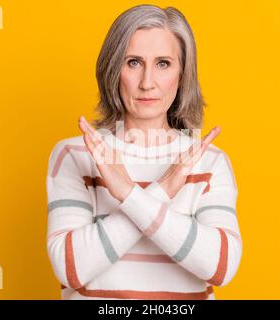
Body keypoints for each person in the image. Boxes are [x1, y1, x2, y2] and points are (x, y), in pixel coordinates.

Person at [46, 4, 242, 300]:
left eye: (163, 63)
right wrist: (161, 191)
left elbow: (220, 267)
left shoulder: (208, 161)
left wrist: (129, 194)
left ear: (182, 73)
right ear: (113, 69)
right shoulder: (76, 154)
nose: (147, 82)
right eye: (133, 62)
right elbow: (70, 268)